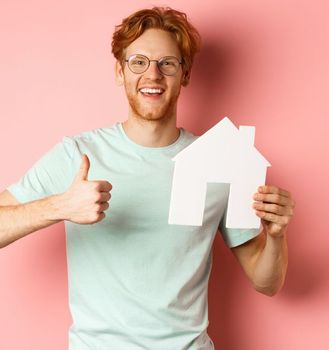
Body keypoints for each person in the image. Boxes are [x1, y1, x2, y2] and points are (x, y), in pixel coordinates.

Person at [0, 6, 294, 349]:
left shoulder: (220, 159)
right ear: (119, 72)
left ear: (184, 75)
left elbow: (266, 282)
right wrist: (59, 205)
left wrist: (276, 235)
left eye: (167, 63)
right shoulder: (78, 154)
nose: (152, 74)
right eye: (138, 62)